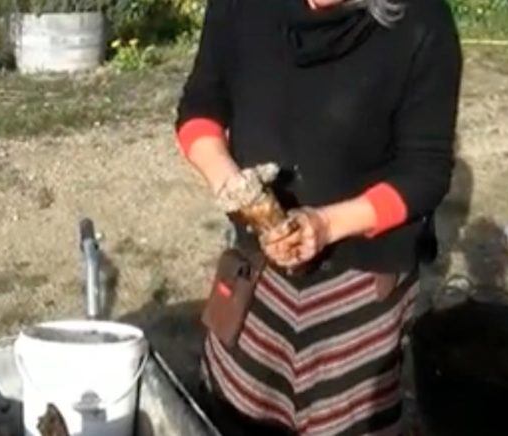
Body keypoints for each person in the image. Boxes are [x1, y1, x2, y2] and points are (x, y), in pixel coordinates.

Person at [173, 0, 463, 433]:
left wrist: (326, 225)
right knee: (236, 414)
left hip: (360, 277)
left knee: (343, 422)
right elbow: (200, 107)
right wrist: (238, 190)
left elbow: (426, 171)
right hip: (257, 263)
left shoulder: (422, 21)